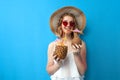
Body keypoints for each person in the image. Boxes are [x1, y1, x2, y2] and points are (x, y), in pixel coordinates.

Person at [46, 6, 87, 80]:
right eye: (65, 23)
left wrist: (76, 55)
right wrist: (58, 64)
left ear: (74, 26)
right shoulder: (53, 45)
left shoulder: (81, 44)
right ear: (60, 25)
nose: (68, 25)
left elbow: (82, 72)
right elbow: (49, 71)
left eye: (71, 23)